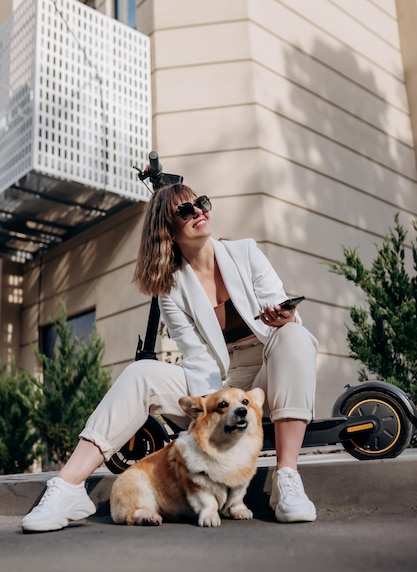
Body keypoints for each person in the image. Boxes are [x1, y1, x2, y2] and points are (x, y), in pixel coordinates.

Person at [22, 183, 318, 532]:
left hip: (264, 379)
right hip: (217, 387)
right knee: (141, 373)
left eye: (201, 204)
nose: (199, 212)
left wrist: (283, 318)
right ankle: (68, 488)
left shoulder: (245, 253)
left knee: (295, 336)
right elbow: (197, 359)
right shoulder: (171, 288)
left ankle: (286, 480)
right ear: (168, 230)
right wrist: (210, 410)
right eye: (186, 211)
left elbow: (281, 309)